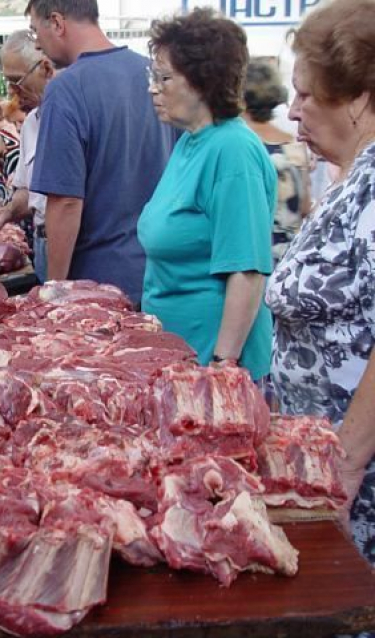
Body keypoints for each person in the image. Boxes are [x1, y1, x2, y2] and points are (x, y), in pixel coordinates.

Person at [264, 0, 375, 566]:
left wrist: (348, 463)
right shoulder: (349, 179)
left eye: (306, 94)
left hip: (352, 481)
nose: (292, 108)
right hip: (314, 464)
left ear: (358, 95)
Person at [137, 8, 275, 381]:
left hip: (210, 362)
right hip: (179, 352)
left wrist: (221, 367)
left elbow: (246, 271)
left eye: (164, 77)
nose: (153, 87)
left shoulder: (232, 151)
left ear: (202, 82)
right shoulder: (189, 143)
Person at [26, 0, 178, 305]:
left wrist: (54, 290)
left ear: (57, 22)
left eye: (34, 32)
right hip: (160, 276)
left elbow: (66, 201)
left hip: (98, 286)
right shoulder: (154, 75)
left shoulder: (66, 88)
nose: (37, 44)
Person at [0, 29, 55, 283]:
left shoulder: (73, 118)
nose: (13, 91)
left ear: (44, 68)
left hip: (72, 243)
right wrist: (8, 211)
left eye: (17, 80)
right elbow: (27, 190)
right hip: (43, 240)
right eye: (8, 82)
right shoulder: (31, 124)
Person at [243, 60, 311, 263]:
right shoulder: (294, 145)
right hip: (290, 256)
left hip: (253, 257)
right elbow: (305, 205)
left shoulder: (242, 146)